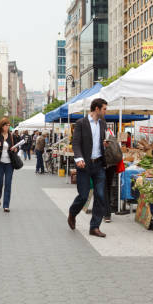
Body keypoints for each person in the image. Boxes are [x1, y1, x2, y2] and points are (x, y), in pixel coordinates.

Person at [68, 98, 109, 238]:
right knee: (84, 195)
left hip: (98, 164)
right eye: (104, 109)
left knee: (100, 195)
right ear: (96, 109)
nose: (105, 111)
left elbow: (102, 140)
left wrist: (105, 144)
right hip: (84, 165)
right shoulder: (81, 123)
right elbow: (76, 143)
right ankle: (72, 213)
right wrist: (79, 158)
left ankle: (94, 227)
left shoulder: (103, 123)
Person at [0, 117, 21, 212]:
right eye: (6, 125)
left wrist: (15, 149)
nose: (8, 127)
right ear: (2, 126)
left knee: (8, 184)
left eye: (9, 125)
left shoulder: (12, 136)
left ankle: (6, 205)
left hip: (9, 164)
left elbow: (15, 147)